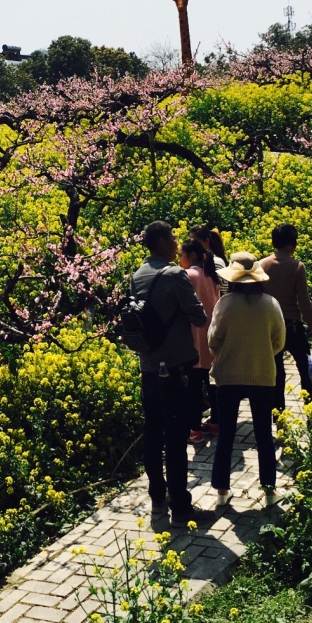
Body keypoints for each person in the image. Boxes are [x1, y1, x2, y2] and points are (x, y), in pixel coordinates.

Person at [130, 220, 210, 522]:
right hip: (176, 369)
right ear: (162, 242)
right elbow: (199, 318)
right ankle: (181, 506)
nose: (177, 242)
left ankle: (157, 500)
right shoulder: (175, 275)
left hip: (148, 369)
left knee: (153, 436)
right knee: (176, 439)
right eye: (173, 238)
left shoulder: (137, 275)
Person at [208, 252, 286, 508]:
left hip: (228, 376)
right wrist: (261, 355)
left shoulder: (224, 304)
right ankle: (269, 490)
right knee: (264, 435)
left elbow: (213, 340)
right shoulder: (271, 304)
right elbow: (279, 341)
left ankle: (221, 491)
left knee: (227, 435)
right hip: (263, 374)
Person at [260, 223, 312, 407]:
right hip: (293, 327)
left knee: (277, 375)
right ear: (291, 243)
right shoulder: (297, 267)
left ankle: (279, 416)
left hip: (271, 327)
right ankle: (310, 407)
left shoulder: (261, 265)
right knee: (305, 369)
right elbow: (304, 303)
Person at [179, 238, 220, 443]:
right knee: (211, 383)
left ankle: (195, 429)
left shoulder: (188, 275)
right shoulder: (211, 275)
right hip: (210, 337)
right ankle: (216, 422)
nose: (179, 259)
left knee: (193, 387)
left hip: (194, 338)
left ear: (192, 256)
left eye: (181, 255)